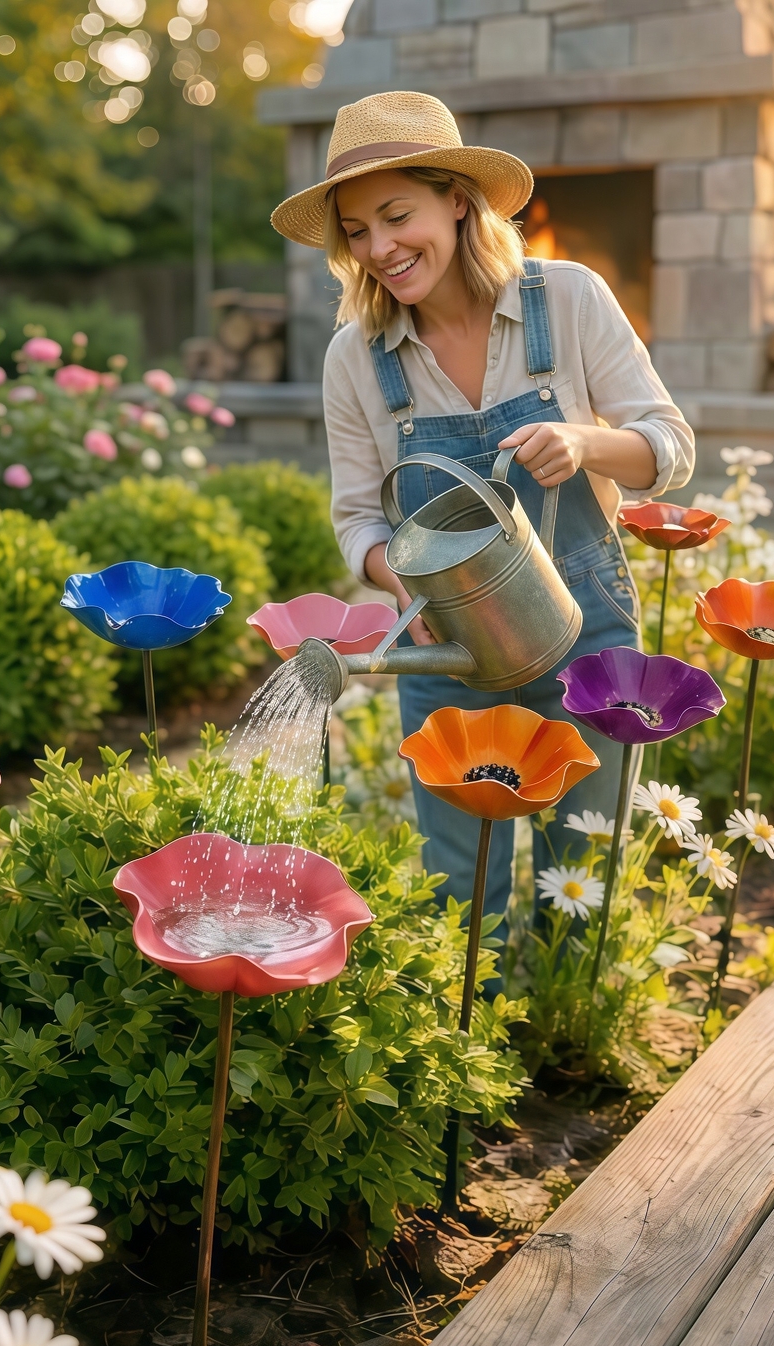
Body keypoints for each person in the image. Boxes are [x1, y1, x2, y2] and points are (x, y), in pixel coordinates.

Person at [270, 90, 695, 927]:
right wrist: (398, 579)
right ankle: (475, 1048)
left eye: (397, 216)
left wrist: (582, 443)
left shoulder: (569, 298)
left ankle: (573, 1044)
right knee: (460, 897)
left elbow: (670, 446)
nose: (380, 248)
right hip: (450, 650)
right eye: (357, 231)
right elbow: (358, 516)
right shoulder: (354, 358)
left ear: (458, 202)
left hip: (586, 628)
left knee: (587, 883)